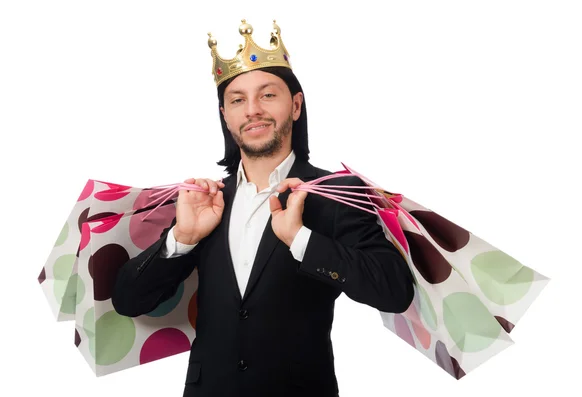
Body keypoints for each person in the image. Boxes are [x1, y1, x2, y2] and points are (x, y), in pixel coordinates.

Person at [112, 19, 415, 397]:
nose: (252, 110)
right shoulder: (205, 201)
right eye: (238, 100)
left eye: (267, 95)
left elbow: (394, 290)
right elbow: (128, 300)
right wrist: (183, 238)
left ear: (296, 105)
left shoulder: (337, 193)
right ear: (226, 115)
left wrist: (300, 238)